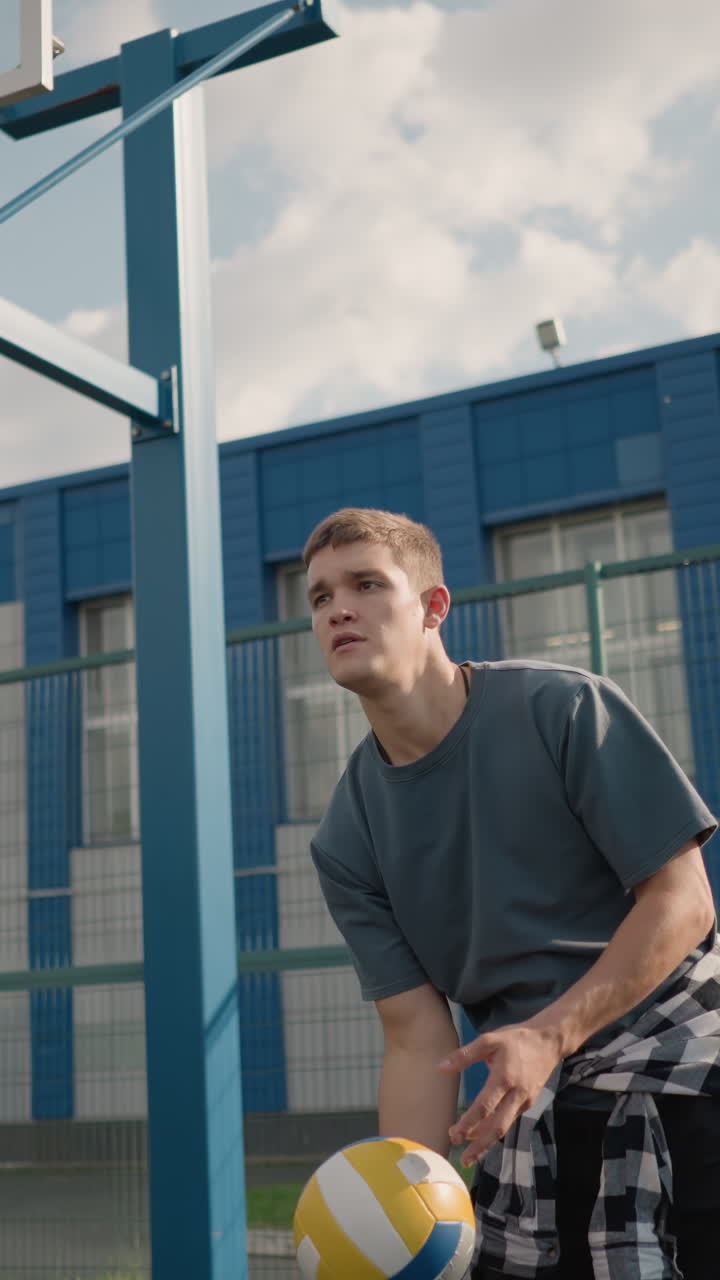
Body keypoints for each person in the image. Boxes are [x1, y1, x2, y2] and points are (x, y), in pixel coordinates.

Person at [302, 506, 720, 1280]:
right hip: (526, 1112)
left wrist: (549, 1033)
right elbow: (415, 1039)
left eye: (365, 584)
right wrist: (403, 1211)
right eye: (321, 597)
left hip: (687, 1077)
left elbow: (685, 902)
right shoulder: (344, 836)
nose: (339, 609)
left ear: (433, 608)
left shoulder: (561, 707)